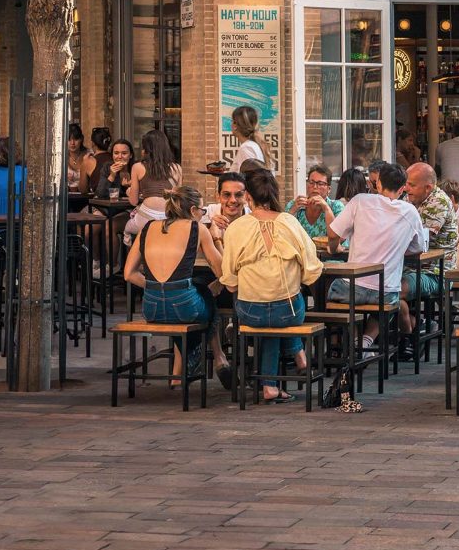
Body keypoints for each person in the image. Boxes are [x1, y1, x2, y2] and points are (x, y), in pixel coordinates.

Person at [220, 170, 322, 402]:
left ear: (248, 197)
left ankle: (271, 386)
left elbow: (230, 280)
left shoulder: (236, 228)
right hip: (288, 311)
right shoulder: (290, 222)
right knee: (278, 315)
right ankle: (297, 356)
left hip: (249, 312)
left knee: (267, 318)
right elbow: (312, 271)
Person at [123, 186, 232, 389]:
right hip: (185, 306)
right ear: (192, 211)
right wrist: (216, 237)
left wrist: (157, 287)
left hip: (151, 308)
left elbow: (129, 274)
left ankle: (178, 372)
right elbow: (221, 271)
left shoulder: (147, 228)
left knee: (188, 298)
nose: (203, 215)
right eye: (202, 211)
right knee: (205, 295)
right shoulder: (196, 228)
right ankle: (219, 358)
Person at [327, 162, 428, 353]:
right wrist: (396, 247)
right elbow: (417, 248)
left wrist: (334, 249)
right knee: (389, 302)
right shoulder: (410, 212)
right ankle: (365, 341)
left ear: (378, 184)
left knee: (329, 288)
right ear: (402, 188)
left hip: (351, 288)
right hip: (386, 291)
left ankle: (351, 341)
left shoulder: (360, 201)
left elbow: (333, 235)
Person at [401, 163, 459, 343]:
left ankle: (417, 326)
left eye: (411, 185)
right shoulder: (409, 198)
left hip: (435, 271)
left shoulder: (438, 202)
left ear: (428, 187)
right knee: (376, 288)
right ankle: (415, 326)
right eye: (406, 184)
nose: (406, 188)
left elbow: (417, 240)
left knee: (392, 291)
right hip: (408, 267)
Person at [125, 130, 182, 243]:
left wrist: (129, 191)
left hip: (145, 218)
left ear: (147, 149)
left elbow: (133, 201)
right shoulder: (177, 168)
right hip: (168, 218)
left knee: (127, 229)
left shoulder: (137, 167)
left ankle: (131, 255)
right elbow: (178, 198)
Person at [285, 164, 344, 239]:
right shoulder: (294, 205)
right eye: (311, 182)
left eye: (320, 184)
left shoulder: (336, 207)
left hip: (328, 250)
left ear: (328, 189)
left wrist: (326, 208)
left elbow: (339, 237)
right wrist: (293, 210)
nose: (315, 187)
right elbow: (282, 233)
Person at [202, 171, 250, 248]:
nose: (233, 200)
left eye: (239, 195)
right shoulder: (209, 212)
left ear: (246, 196)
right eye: (226, 195)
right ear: (218, 196)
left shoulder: (253, 218)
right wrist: (206, 231)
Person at [230, 105, 272, 172]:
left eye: (232, 121)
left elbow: (252, 179)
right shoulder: (254, 146)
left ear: (235, 125)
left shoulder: (247, 148)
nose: (231, 124)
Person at [79, 126, 113, 195]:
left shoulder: (87, 161)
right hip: (117, 199)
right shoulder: (116, 158)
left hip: (98, 202)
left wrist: (83, 164)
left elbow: (83, 190)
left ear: (93, 143)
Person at [66, 123, 88, 190]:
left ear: (81, 139)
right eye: (69, 139)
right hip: (66, 197)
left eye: (75, 139)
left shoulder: (89, 155)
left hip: (86, 196)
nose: (72, 143)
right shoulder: (60, 157)